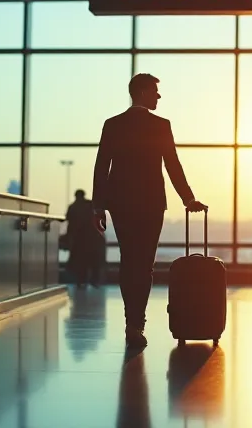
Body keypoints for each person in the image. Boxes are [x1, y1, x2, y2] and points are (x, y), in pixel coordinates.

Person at [92, 73, 207, 348]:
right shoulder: (161, 126)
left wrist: (99, 206)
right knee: (144, 265)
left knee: (128, 260)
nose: (158, 96)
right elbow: (173, 165)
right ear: (142, 92)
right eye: (155, 91)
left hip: (120, 203)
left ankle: (130, 321)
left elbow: (101, 166)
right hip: (152, 203)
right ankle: (137, 323)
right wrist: (188, 199)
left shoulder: (113, 124)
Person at [65, 189, 106, 287]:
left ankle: (81, 281)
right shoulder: (91, 205)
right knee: (94, 260)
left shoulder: (73, 207)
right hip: (93, 237)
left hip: (79, 239)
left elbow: (70, 224)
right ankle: (94, 280)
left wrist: (69, 237)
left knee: (80, 261)